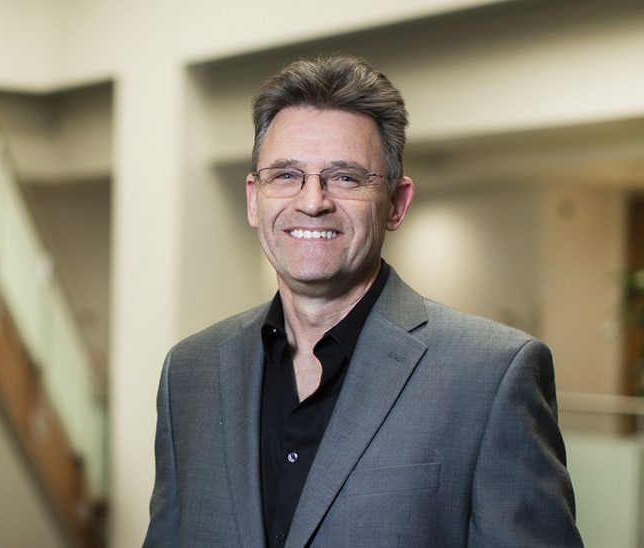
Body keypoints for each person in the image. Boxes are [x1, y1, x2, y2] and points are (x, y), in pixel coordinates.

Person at [143, 55, 582, 547]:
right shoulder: (189, 372)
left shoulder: (491, 376)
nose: (312, 201)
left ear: (396, 203)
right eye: (286, 175)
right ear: (253, 198)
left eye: (346, 177)